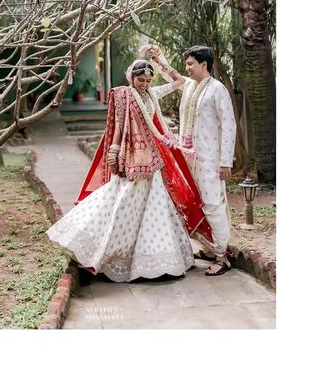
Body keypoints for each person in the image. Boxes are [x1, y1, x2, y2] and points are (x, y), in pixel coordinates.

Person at [46, 59, 213, 282]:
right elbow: (118, 123)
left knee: (154, 207)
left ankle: (155, 260)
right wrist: (114, 149)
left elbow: (179, 81)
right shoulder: (124, 95)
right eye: (140, 80)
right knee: (123, 202)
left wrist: (159, 59)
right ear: (130, 78)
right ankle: (99, 249)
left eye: (147, 80)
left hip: (152, 160)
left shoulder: (152, 94)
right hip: (132, 158)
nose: (144, 84)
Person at [142, 44, 237, 276]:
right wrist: (157, 57)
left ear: (204, 64)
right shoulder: (190, 86)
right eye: (186, 64)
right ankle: (210, 248)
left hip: (210, 159)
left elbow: (229, 126)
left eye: (190, 63)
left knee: (212, 203)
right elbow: (171, 74)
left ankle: (223, 257)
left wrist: (226, 162)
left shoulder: (217, 90)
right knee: (194, 202)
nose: (187, 68)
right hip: (187, 157)